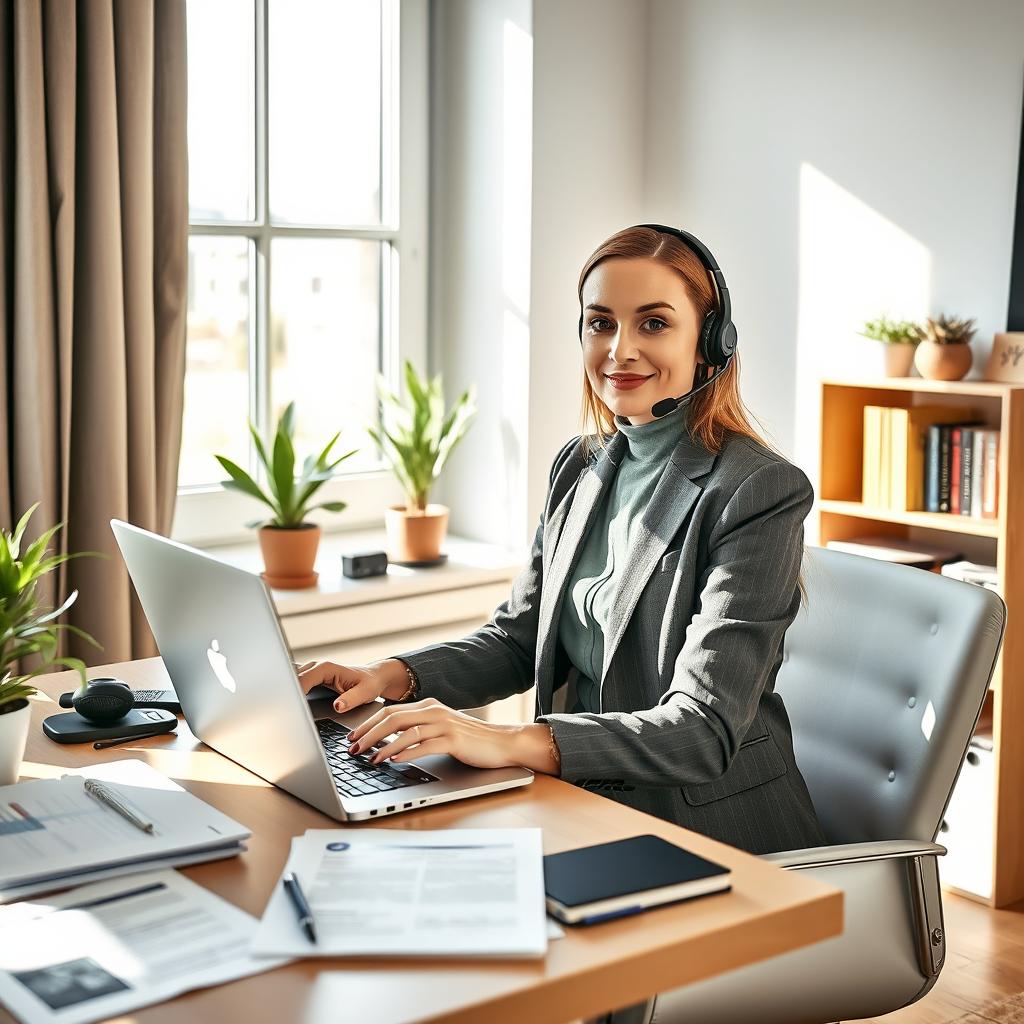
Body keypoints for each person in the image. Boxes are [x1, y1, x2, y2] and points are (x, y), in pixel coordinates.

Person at [299, 224, 825, 855]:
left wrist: (507, 740)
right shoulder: (581, 465)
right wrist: (390, 676)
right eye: (600, 323)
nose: (619, 350)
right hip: (589, 800)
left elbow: (701, 731)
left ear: (711, 343)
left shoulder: (758, 491)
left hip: (710, 834)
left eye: (653, 324)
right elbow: (518, 641)